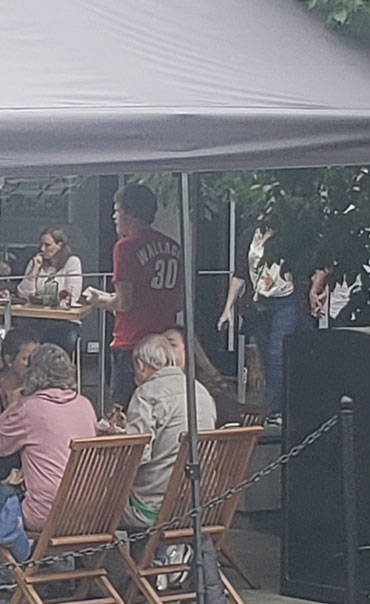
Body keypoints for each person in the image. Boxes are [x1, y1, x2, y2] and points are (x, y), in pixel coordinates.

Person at [120, 334, 227, 603]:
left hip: (153, 508)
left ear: (141, 366)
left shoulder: (146, 395)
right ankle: (159, 570)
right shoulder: (199, 391)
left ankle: (137, 579)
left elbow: (136, 457)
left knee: (98, 505)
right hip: (198, 503)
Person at [0, 344, 98, 560]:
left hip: (48, 513)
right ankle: (42, 562)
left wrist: (13, 405)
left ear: (33, 373)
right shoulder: (85, 405)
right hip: (90, 510)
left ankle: (17, 562)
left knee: (1, 491)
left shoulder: (31, 408)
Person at [82, 184, 183, 408]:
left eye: (117, 210)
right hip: (163, 341)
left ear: (130, 213)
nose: (114, 216)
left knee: (124, 409)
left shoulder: (125, 247)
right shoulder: (173, 247)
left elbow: (124, 302)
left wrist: (98, 300)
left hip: (131, 341)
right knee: (160, 405)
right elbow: (177, 300)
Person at [216, 208, 316, 424]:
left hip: (285, 299)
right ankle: (274, 405)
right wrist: (228, 308)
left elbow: (304, 267)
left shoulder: (289, 236)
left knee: (277, 352)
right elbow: (240, 273)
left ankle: (274, 409)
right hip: (258, 301)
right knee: (264, 354)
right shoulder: (250, 234)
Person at [162, 327, 241, 426]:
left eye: (171, 345)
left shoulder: (212, 392)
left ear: (189, 351)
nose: (164, 351)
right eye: (160, 346)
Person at [17, 227, 84, 304]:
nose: (42, 249)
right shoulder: (36, 261)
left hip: (61, 312)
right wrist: (33, 272)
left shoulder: (72, 262)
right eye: (41, 244)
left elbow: (73, 295)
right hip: (36, 311)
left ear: (59, 245)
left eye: (47, 245)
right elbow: (23, 295)